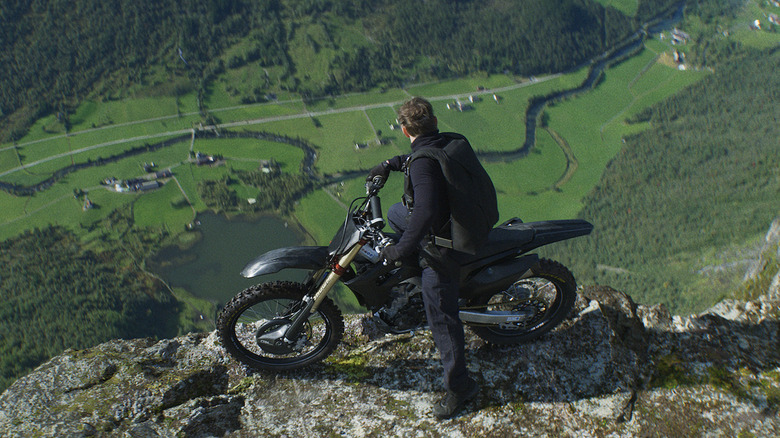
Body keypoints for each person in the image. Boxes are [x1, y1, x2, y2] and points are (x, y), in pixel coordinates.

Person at [367, 97, 480, 419]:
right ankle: (413, 264)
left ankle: (461, 388)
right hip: (465, 218)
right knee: (395, 213)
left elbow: (427, 210)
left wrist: (401, 251)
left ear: (404, 130)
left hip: (447, 244)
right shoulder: (449, 140)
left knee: (442, 318)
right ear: (432, 122)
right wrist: (390, 164)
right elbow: (425, 155)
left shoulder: (422, 163)